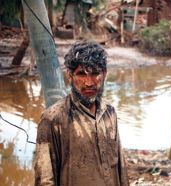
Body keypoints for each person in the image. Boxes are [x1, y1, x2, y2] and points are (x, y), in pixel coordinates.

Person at [34, 40, 129, 186]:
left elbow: (120, 166)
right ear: (70, 76)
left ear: (104, 74)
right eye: (81, 74)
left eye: (95, 73)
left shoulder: (110, 112)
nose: (89, 82)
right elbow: (45, 178)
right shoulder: (53, 118)